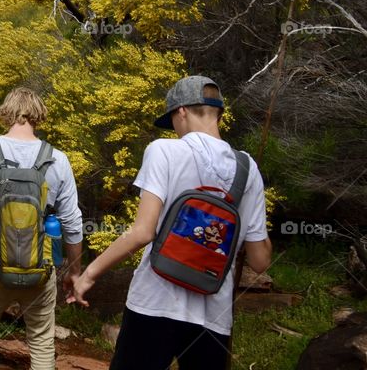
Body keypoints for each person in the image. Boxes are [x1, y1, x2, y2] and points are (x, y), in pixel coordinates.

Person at [68, 76, 273, 370]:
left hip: (154, 304)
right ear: (217, 114)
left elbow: (142, 232)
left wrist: (88, 275)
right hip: (213, 315)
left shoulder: (164, 150)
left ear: (181, 112)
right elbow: (260, 260)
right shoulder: (247, 167)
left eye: (172, 120)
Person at [0, 87, 84, 370]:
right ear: (37, 116)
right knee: (40, 341)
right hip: (40, 270)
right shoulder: (58, 159)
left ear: (8, 113)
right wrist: (75, 272)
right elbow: (72, 223)